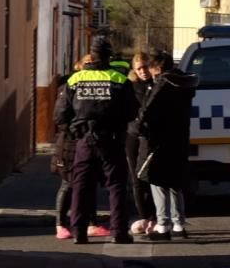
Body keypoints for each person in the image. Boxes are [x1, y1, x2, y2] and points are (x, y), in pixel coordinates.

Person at [56, 37, 138, 244]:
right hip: (111, 139)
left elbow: (60, 115)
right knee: (117, 186)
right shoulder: (119, 79)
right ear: (109, 56)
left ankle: (79, 233)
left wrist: (75, 132)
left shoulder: (75, 80)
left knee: (81, 186)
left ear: (91, 55)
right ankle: (119, 232)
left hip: (83, 140)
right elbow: (131, 111)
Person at [137, 49, 198, 240]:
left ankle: (162, 226)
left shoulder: (163, 84)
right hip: (179, 137)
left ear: (158, 67)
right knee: (175, 183)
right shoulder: (185, 83)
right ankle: (179, 224)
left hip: (160, 139)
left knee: (157, 181)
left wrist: (140, 127)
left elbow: (148, 111)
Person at [51, 55, 106, 239]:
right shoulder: (69, 86)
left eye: (93, 64)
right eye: (87, 64)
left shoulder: (93, 87)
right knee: (68, 183)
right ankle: (60, 224)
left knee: (87, 182)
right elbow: (60, 116)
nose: (91, 68)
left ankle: (91, 222)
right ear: (80, 66)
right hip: (70, 142)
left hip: (86, 140)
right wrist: (76, 130)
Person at [126, 52, 157, 235]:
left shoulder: (156, 85)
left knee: (151, 176)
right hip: (133, 135)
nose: (143, 71)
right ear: (134, 70)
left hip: (150, 136)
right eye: (139, 68)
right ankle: (143, 215)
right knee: (136, 177)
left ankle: (153, 216)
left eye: (145, 67)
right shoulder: (130, 87)